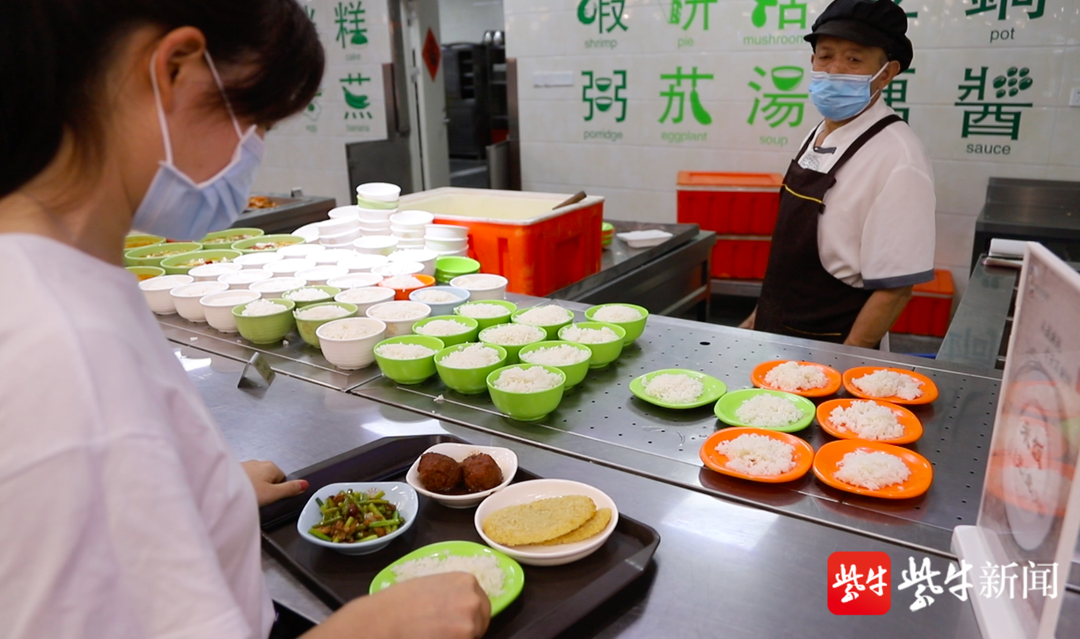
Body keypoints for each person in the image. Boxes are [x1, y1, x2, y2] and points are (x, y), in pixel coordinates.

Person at [0, 2, 490, 638]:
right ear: (174, 69)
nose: (252, 152)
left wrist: (202, 494)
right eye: (253, 118)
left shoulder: (68, 274)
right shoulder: (55, 342)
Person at [741, 0, 936, 348]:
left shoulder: (898, 156)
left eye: (854, 59)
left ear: (887, 73)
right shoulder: (818, 133)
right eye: (825, 55)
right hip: (777, 333)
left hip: (833, 345)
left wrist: (845, 367)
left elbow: (895, 290)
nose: (833, 70)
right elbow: (791, 257)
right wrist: (760, 318)